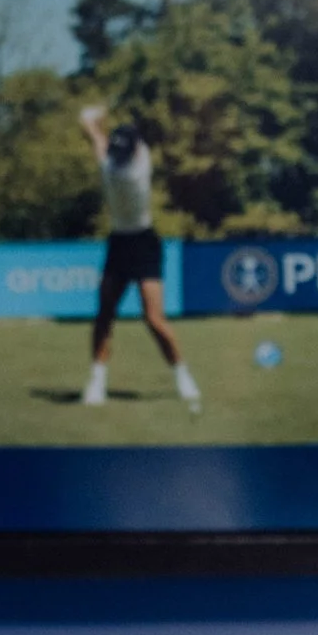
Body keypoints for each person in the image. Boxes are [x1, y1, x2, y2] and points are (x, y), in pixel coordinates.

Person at [77, 104, 199, 408]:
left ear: (131, 151)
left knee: (153, 318)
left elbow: (95, 138)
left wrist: (94, 119)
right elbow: (105, 142)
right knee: (104, 313)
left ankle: (182, 375)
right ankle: (97, 382)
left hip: (143, 242)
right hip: (121, 242)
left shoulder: (129, 172)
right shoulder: (129, 160)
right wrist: (102, 122)